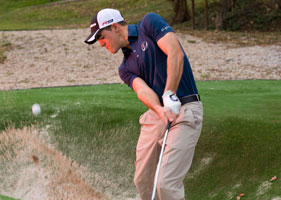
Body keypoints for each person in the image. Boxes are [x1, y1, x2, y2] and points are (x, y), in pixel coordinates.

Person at [84, 8, 203, 200]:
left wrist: (169, 92)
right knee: (143, 181)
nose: (100, 44)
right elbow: (143, 91)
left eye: (101, 37)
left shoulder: (149, 24)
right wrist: (159, 109)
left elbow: (175, 52)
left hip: (186, 108)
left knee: (166, 183)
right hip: (157, 114)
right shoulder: (125, 68)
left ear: (114, 27)